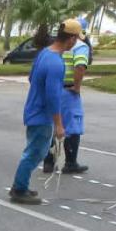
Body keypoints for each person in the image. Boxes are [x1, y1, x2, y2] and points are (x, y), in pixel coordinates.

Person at [9, 19, 78, 205]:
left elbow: (32, 78)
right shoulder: (56, 63)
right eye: (76, 39)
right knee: (35, 153)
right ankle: (19, 189)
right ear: (70, 39)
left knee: (34, 150)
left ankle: (21, 185)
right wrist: (59, 124)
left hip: (33, 109)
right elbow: (53, 96)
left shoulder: (44, 54)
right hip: (41, 115)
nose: (76, 43)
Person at [43, 19, 90, 175]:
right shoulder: (80, 47)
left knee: (52, 124)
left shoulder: (52, 48)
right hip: (68, 91)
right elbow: (80, 67)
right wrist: (77, 87)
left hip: (53, 89)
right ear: (75, 36)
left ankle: (48, 162)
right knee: (72, 127)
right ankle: (70, 162)